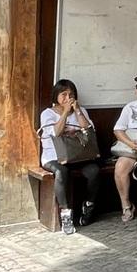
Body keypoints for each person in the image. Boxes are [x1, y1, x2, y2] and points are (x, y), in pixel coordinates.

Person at [39, 78, 99, 235]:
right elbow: (56, 132)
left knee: (93, 171)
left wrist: (77, 110)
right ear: (56, 96)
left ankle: (88, 206)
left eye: (71, 94)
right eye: (63, 94)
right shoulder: (48, 113)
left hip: (77, 155)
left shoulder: (81, 110)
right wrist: (65, 112)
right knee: (61, 172)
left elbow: (88, 129)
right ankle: (65, 214)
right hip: (54, 156)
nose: (68, 98)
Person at [112, 75, 137, 222]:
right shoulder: (130, 107)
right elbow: (118, 130)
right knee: (120, 168)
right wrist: (131, 144)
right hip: (133, 147)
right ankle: (126, 205)